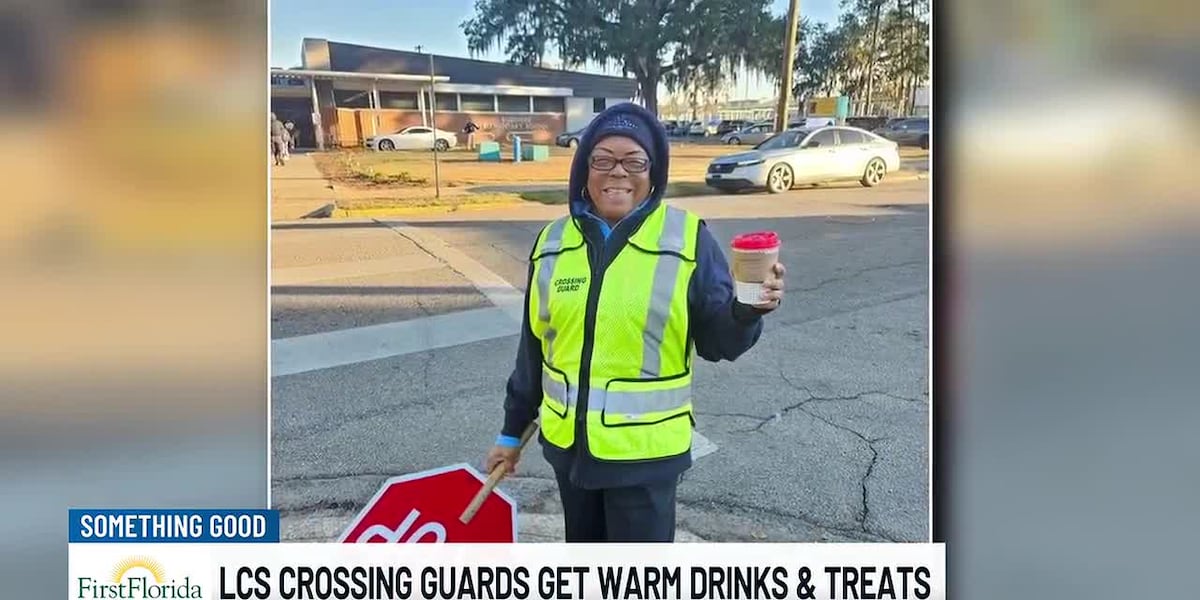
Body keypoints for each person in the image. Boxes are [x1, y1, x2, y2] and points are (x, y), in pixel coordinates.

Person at [484, 102, 786, 542]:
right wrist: (511, 433)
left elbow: (721, 342)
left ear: (653, 172)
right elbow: (535, 349)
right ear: (584, 171)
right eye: (602, 160)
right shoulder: (551, 242)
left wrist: (748, 310)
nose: (618, 172)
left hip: (646, 462)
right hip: (570, 456)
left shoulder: (686, 238)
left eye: (634, 161)